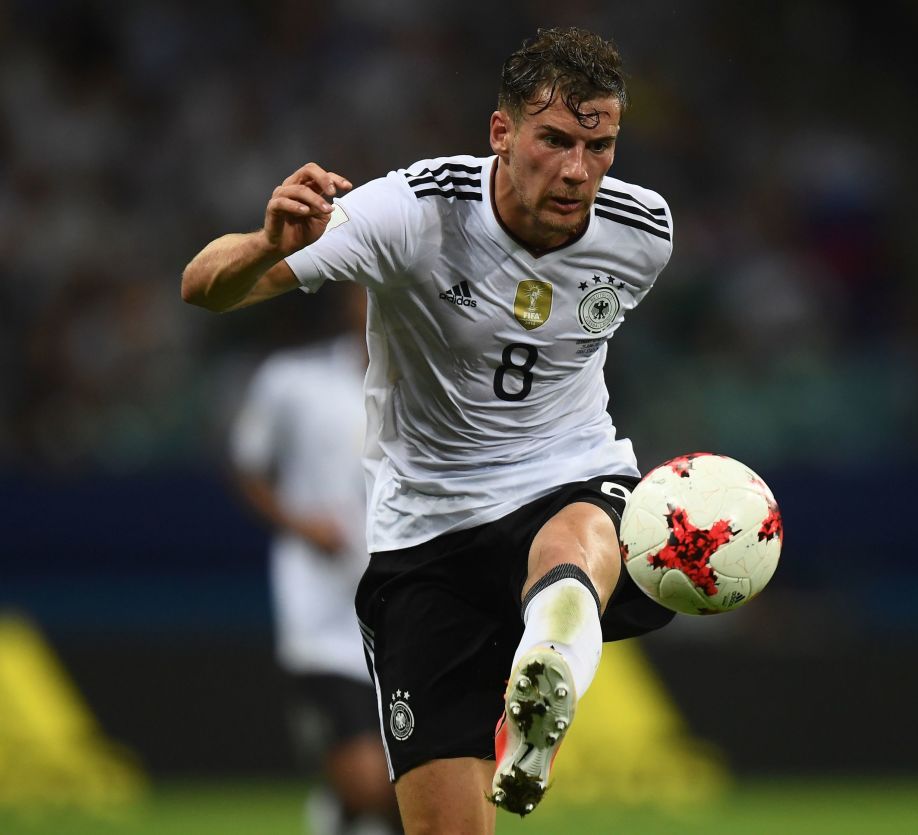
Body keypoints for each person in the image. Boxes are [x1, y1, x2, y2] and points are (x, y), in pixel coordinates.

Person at [182, 27, 675, 832]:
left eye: (600, 144)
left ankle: (548, 658)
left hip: (566, 477)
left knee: (578, 529)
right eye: (554, 139)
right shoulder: (412, 210)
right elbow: (204, 285)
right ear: (501, 133)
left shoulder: (641, 233)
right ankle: (543, 659)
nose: (578, 169)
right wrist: (268, 243)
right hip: (428, 534)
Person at [229, 286, 404, 835]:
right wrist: (303, 523)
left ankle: (346, 818)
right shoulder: (292, 380)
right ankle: (344, 807)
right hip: (324, 619)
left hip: (406, 614)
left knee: (422, 782)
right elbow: (246, 466)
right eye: (366, 289)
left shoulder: (427, 386)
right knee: (369, 782)